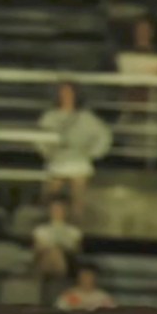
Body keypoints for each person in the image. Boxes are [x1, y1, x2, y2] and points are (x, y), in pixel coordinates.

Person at [37, 82, 112, 220]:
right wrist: (48, 152)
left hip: (79, 160)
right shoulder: (50, 117)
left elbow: (103, 135)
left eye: (69, 93)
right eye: (63, 93)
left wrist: (92, 153)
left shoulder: (86, 117)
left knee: (78, 197)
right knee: (51, 195)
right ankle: (51, 222)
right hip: (57, 160)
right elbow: (41, 137)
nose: (66, 96)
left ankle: (77, 224)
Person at [32, 196, 82, 278]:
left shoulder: (74, 232)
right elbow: (36, 249)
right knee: (51, 252)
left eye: (60, 209)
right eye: (54, 209)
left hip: (67, 263)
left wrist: (59, 248)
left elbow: (76, 250)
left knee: (57, 252)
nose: (57, 212)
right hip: (44, 259)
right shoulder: (40, 230)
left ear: (66, 211)